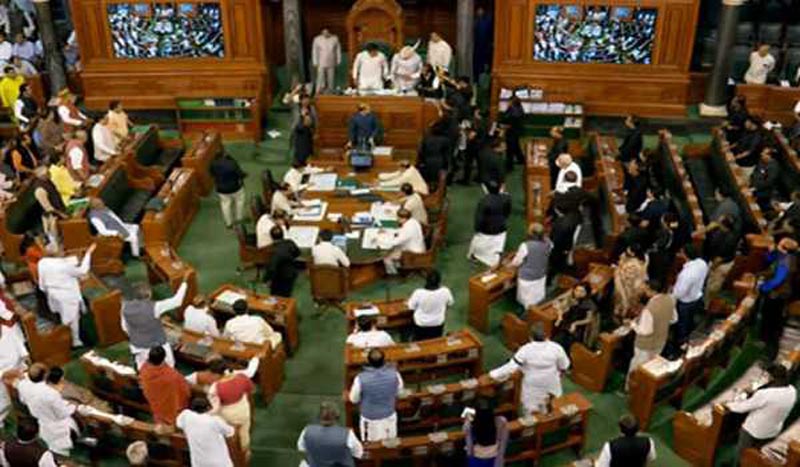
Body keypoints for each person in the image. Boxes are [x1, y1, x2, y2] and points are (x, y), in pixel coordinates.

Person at [489, 324, 569, 413]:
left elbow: (511, 367)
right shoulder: (557, 348)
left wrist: (492, 374)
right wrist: (557, 376)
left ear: (531, 337)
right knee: (551, 407)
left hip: (532, 386)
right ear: (546, 336)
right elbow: (564, 366)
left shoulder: (525, 350)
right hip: (551, 384)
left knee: (531, 411)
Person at [727, 363, 797, 462]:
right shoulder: (793, 390)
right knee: (754, 455)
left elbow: (741, 408)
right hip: (772, 431)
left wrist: (729, 404)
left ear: (772, 377)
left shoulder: (765, 394)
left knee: (742, 455)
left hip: (753, 431)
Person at [122, 274, 189, 369]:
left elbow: (125, 328)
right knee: (169, 367)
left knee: (143, 369)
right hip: (158, 346)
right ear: (149, 294)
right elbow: (177, 301)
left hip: (138, 346)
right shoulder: (155, 307)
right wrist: (184, 282)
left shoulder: (124, 307)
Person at [37, 244, 95, 347]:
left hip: (53, 294)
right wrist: (88, 254)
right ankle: (74, 341)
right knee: (71, 319)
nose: (63, 251)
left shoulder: (42, 262)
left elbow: (42, 282)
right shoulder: (63, 266)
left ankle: (70, 338)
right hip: (67, 295)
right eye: (61, 250)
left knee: (65, 316)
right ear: (58, 253)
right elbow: (82, 271)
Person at [625, 280, 676, 388]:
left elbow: (645, 331)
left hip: (646, 345)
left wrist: (632, 324)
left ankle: (631, 388)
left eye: (646, 288)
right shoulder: (670, 299)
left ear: (651, 291)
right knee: (650, 367)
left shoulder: (650, 308)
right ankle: (645, 388)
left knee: (637, 368)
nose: (644, 290)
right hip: (661, 341)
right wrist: (661, 322)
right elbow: (674, 319)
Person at [348, 349, 403, 442]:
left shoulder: (360, 378)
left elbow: (353, 399)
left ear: (368, 361)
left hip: (369, 420)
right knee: (389, 445)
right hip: (389, 417)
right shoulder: (395, 375)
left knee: (369, 445)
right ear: (384, 360)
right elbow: (399, 392)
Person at [757, 237, 798, 359]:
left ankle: (769, 351)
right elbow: (768, 258)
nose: (777, 246)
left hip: (777, 295)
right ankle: (765, 342)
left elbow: (777, 280)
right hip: (778, 294)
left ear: (784, 249)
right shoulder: (786, 256)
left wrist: (763, 287)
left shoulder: (786, 261)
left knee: (772, 321)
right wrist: (772, 251)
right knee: (769, 319)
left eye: (779, 245)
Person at [207, 359, 256, 460]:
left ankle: (231, 455)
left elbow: (216, 408)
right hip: (243, 411)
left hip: (227, 416)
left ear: (215, 374)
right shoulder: (242, 377)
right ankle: (246, 453)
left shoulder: (214, 388)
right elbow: (252, 390)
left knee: (227, 434)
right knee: (244, 431)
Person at [27, 367, 80, 456]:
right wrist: (73, 406)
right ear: (61, 379)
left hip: (43, 425)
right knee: (60, 452)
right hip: (58, 429)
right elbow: (63, 414)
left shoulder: (35, 389)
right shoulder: (52, 395)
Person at [297, 401, 363, 467]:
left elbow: (301, 448)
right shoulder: (348, 434)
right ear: (337, 416)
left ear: (319, 416)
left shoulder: (307, 430)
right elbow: (359, 453)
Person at [669, 246, 708, 355]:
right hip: (697, 298)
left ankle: (678, 348)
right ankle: (685, 337)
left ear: (685, 255)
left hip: (685, 303)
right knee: (689, 322)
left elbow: (679, 293)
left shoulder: (686, 274)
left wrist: (671, 296)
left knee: (681, 326)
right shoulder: (702, 263)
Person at [176, 396, 236, 467]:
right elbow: (230, 432)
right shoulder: (215, 421)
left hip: (199, 463)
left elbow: (179, 423)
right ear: (208, 408)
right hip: (219, 463)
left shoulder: (186, 416)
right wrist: (215, 410)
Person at [140, 346, 191, 426]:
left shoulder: (144, 369)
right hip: (171, 407)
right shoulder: (173, 376)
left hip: (156, 403)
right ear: (164, 358)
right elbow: (185, 391)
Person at [469, 181, 511, 267]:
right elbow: (507, 212)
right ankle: (495, 259)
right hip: (501, 229)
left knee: (477, 243)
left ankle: (474, 256)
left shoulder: (484, 201)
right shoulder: (506, 198)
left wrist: (477, 229)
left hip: (486, 230)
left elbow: (479, 218)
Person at [509, 223, 551, 309]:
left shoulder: (525, 246)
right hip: (541, 274)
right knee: (537, 296)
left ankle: (528, 312)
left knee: (527, 300)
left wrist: (509, 264)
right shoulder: (548, 242)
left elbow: (517, 262)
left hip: (527, 278)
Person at [0, 306, 29, 422]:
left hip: (20, 368)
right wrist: (4, 374)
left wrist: (27, 362)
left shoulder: (8, 330)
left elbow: (22, 350)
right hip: (3, 375)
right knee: (4, 404)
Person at [407, 269, 454, 340]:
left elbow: (411, 307)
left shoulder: (418, 293)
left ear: (426, 280)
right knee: (435, 339)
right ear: (439, 281)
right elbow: (449, 304)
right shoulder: (445, 291)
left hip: (420, 325)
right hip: (438, 324)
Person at [463, 398, 508, 467]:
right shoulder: (501, 421)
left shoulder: (470, 424)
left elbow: (469, 449)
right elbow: (503, 444)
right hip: (495, 458)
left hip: (477, 459)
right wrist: (500, 459)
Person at [552, 282, 598, 351]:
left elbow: (588, 319)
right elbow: (558, 301)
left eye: (582, 291)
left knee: (567, 343)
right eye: (577, 290)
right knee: (556, 338)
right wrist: (560, 314)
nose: (578, 293)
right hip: (566, 322)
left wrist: (575, 323)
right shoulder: (571, 298)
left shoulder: (589, 304)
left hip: (577, 327)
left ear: (586, 292)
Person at [704, 215, 740, 300]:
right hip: (717, 260)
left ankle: (707, 303)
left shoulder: (729, 240)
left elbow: (718, 259)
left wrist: (711, 268)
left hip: (721, 265)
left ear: (723, 225)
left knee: (712, 287)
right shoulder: (724, 231)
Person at [383, 209, 426, 275]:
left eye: (398, 218)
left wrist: (380, 239)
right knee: (395, 249)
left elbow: (395, 242)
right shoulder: (413, 221)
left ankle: (393, 274)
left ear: (403, 219)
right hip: (419, 246)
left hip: (412, 253)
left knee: (386, 257)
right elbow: (402, 231)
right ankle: (398, 266)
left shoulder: (408, 229)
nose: (397, 220)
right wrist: (391, 231)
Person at [209, 153, 246, 229]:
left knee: (225, 205)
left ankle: (229, 223)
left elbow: (212, 174)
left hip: (221, 189)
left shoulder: (213, 164)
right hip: (235, 188)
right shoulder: (232, 163)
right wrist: (245, 175)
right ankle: (239, 218)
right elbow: (240, 174)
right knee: (240, 201)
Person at [263, 226, 301, 297]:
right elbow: (298, 253)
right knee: (287, 294)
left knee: (276, 297)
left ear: (271, 237)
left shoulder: (272, 250)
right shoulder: (290, 242)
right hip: (292, 273)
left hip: (279, 277)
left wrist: (266, 280)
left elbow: (272, 268)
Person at [416, 119, 451, 185]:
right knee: (439, 181)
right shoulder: (446, 140)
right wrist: (446, 166)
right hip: (439, 162)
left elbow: (421, 152)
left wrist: (419, 163)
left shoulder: (426, 139)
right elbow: (446, 155)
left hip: (427, 162)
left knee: (427, 181)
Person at [750, 148, 780, 213]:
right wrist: (751, 182)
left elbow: (768, 182)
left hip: (763, 192)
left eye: (764, 153)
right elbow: (755, 172)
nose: (761, 154)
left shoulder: (774, 167)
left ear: (769, 156)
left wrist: (755, 188)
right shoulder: (761, 161)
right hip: (753, 185)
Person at [311, 28, 341, 94]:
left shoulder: (335, 39)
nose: (325, 33)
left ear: (329, 32)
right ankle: (318, 91)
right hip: (321, 62)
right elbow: (314, 51)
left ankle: (331, 91)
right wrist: (315, 62)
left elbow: (338, 50)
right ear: (322, 32)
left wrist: (338, 60)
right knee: (320, 77)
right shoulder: (317, 39)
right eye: (324, 32)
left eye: (327, 32)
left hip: (331, 61)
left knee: (331, 77)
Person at [503, 96, 525, 171]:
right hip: (516, 131)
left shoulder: (513, 111)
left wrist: (504, 126)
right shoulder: (519, 108)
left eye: (509, 101)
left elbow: (508, 121)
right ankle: (521, 160)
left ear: (512, 102)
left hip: (512, 131)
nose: (507, 103)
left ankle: (509, 166)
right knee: (516, 146)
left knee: (510, 149)